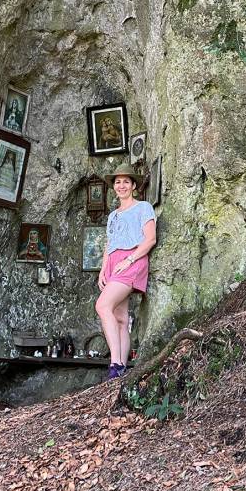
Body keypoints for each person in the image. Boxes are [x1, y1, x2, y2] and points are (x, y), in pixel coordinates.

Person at [97, 162, 156, 379]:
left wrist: (129, 260)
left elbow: (150, 239)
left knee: (102, 305)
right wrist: (103, 270)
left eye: (126, 182)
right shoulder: (113, 216)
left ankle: (115, 364)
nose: (121, 185)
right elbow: (109, 244)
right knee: (119, 317)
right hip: (114, 264)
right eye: (118, 182)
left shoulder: (143, 207)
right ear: (114, 186)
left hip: (132, 261)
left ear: (133, 185)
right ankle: (121, 370)